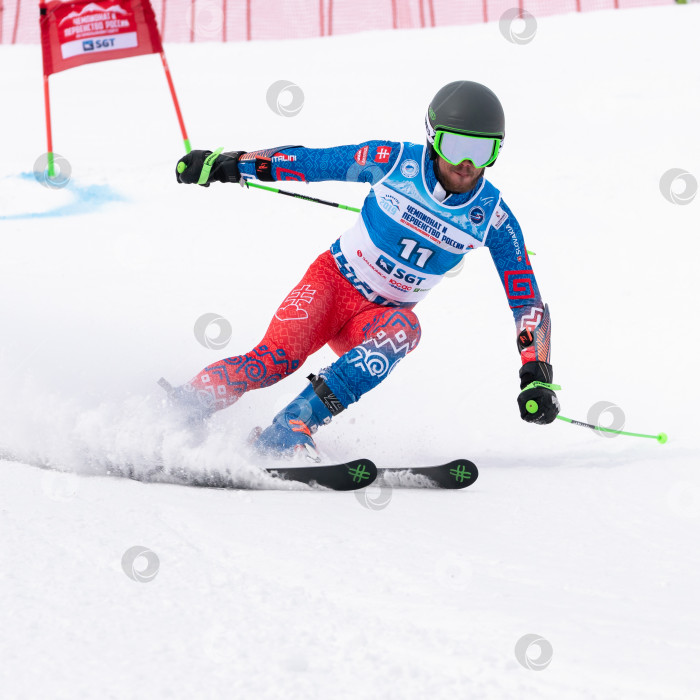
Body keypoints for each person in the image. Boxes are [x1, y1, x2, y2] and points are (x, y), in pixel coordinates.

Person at [172, 80, 560, 461]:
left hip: (377, 320)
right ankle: (181, 406)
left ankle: (291, 427)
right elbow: (312, 162)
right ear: (431, 137)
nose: (466, 164)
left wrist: (537, 374)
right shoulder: (392, 162)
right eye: (455, 146)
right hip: (332, 285)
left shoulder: (492, 218)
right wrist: (228, 165)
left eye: (482, 151)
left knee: (404, 331)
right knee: (274, 361)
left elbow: (526, 300)